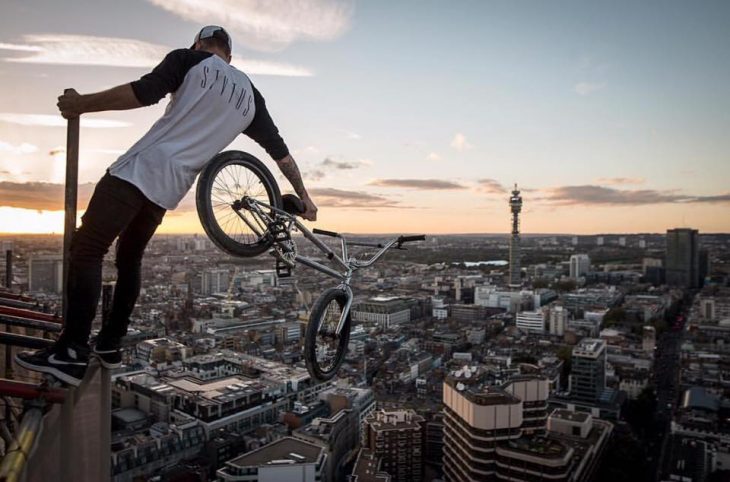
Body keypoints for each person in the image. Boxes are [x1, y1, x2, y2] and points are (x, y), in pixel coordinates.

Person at [16, 26, 317, 386]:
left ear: (200, 45)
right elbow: (280, 153)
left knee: (87, 249)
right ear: (230, 57)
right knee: (129, 259)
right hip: (170, 188)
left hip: (140, 169)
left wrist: (83, 104)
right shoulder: (250, 97)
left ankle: (71, 352)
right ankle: (110, 344)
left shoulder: (189, 60)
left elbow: (144, 93)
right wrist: (305, 196)